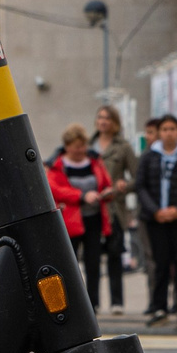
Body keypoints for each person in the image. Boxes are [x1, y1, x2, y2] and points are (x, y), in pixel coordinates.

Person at [138, 114, 177, 327]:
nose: (168, 133)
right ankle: (159, 307)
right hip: (155, 219)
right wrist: (156, 211)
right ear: (160, 133)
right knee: (160, 264)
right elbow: (141, 187)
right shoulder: (149, 157)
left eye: (172, 129)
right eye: (164, 129)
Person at [46, 124, 108, 305]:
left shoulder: (95, 162)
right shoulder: (57, 165)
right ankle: (73, 302)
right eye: (76, 146)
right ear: (67, 146)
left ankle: (93, 303)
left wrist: (107, 192)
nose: (80, 150)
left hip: (94, 219)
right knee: (70, 264)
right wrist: (81, 196)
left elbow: (104, 181)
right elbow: (55, 189)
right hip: (70, 221)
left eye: (83, 146)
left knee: (93, 263)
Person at [93, 105, 138, 315]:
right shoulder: (88, 145)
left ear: (115, 123)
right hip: (90, 209)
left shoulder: (123, 147)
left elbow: (137, 178)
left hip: (114, 211)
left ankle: (117, 302)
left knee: (114, 255)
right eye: (100, 118)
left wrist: (123, 186)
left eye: (107, 118)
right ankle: (91, 303)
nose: (103, 122)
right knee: (92, 258)